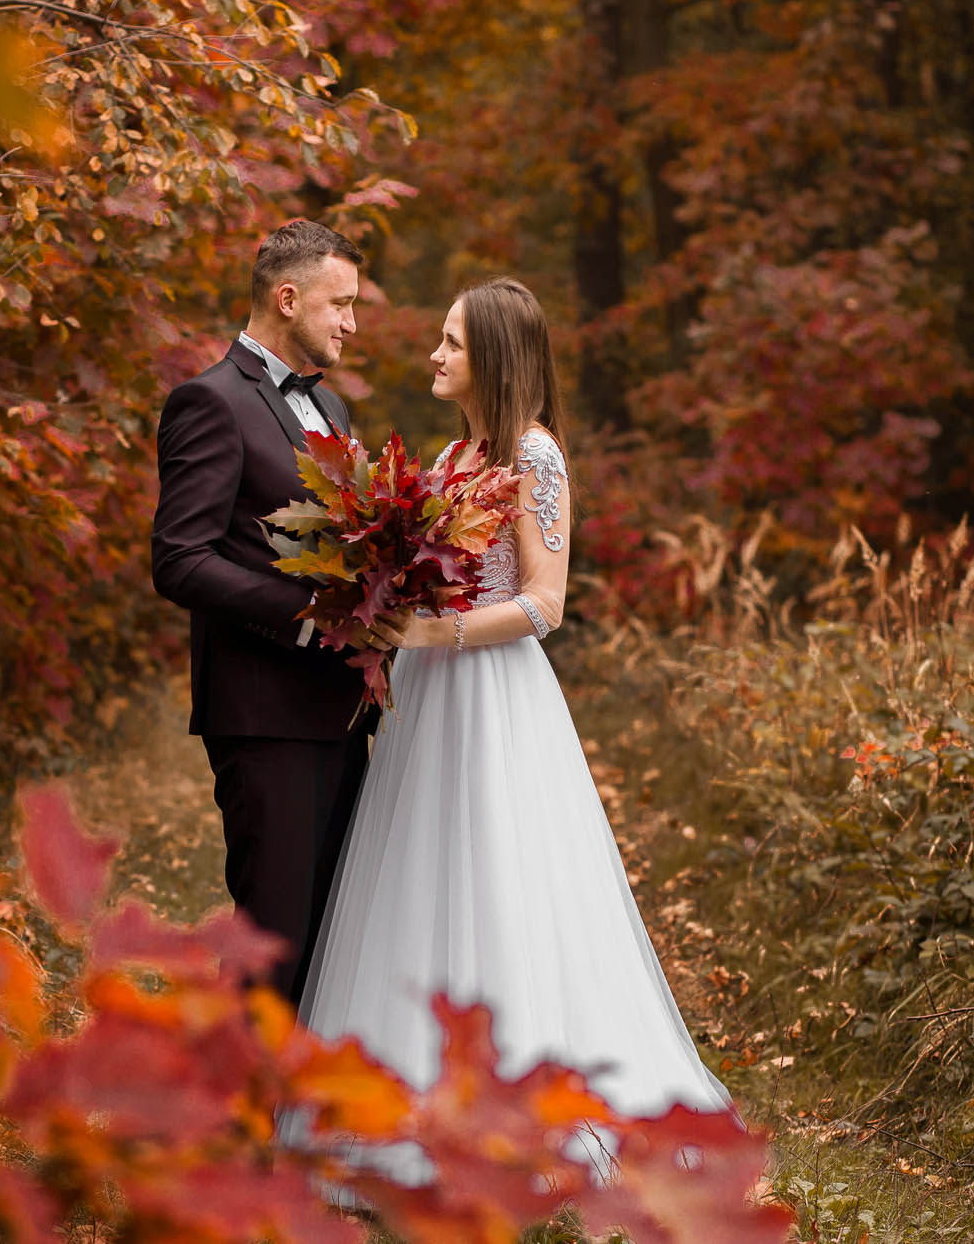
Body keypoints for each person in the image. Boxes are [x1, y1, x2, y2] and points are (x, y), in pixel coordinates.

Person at [297, 275, 739, 1186]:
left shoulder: (535, 457)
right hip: (430, 695)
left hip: (495, 692)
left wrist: (431, 629)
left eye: (452, 342)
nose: (434, 354)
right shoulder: (456, 456)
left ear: (492, 355)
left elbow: (545, 602)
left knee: (502, 872)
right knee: (417, 871)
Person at [150, 218, 379, 1006]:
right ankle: (237, 1122)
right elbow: (179, 558)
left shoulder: (337, 414)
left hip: (342, 709)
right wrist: (307, 613)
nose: (351, 321)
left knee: (327, 934)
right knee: (271, 940)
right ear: (288, 298)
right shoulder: (208, 402)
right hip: (264, 711)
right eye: (339, 303)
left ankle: (293, 1116)